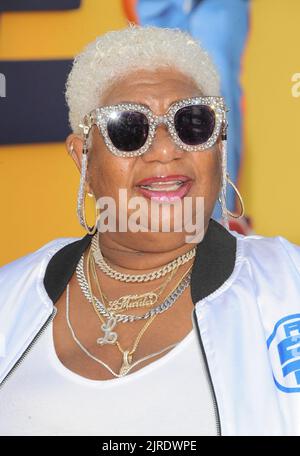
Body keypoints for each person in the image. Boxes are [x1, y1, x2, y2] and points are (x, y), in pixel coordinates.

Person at [0, 25, 300, 437]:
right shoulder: (10, 299)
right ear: (83, 157)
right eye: (128, 128)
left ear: (218, 144)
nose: (165, 150)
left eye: (192, 122)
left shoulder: (288, 284)